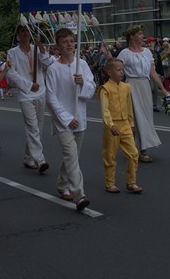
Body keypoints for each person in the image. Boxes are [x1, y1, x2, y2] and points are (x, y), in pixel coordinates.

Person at [45, 28, 96, 211]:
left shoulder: (81, 64)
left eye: (71, 41)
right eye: (65, 41)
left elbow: (91, 89)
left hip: (79, 117)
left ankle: (62, 184)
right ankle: (79, 195)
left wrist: (83, 84)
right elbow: (51, 98)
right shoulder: (53, 69)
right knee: (71, 155)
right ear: (58, 46)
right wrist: (66, 119)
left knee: (73, 156)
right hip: (63, 121)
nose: (69, 44)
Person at [117, 25, 170, 162]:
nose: (143, 36)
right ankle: (139, 150)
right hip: (131, 85)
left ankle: (141, 147)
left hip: (145, 85)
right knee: (135, 118)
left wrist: (163, 89)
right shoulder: (124, 53)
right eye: (140, 34)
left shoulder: (147, 52)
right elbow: (117, 71)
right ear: (131, 36)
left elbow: (152, 72)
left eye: (142, 34)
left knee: (146, 117)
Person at [6, 25, 54, 173]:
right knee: (32, 127)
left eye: (27, 31)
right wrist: (28, 85)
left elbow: (48, 64)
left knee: (37, 128)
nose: (26, 34)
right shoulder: (12, 52)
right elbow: (10, 73)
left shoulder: (36, 49)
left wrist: (42, 50)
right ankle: (40, 160)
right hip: (25, 94)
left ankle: (28, 158)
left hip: (40, 93)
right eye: (22, 31)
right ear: (18, 35)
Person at [99, 58, 142, 194]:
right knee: (110, 155)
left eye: (122, 69)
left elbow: (129, 106)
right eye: (118, 70)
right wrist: (110, 125)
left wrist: (131, 123)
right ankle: (110, 183)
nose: (122, 72)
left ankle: (131, 182)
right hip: (112, 126)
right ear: (109, 72)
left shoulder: (126, 87)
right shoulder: (105, 89)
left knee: (134, 153)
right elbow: (105, 110)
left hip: (125, 125)